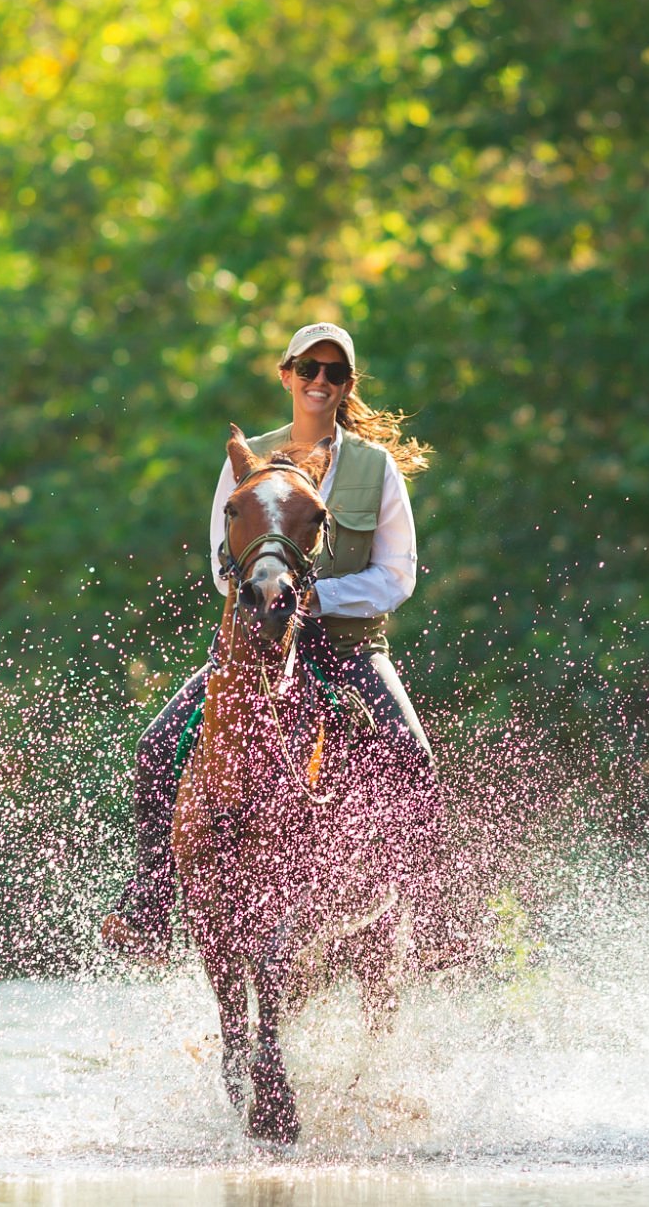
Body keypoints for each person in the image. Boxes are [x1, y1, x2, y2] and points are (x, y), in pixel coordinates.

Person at [100, 320, 438, 960]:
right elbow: (217, 560)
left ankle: (424, 905)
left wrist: (311, 600)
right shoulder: (245, 461)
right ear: (286, 375)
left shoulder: (375, 467)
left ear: (346, 386)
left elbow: (398, 576)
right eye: (307, 368)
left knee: (412, 755)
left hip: (347, 648)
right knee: (153, 747)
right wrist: (266, 600)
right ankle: (149, 897)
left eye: (333, 373)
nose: (319, 381)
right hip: (256, 649)